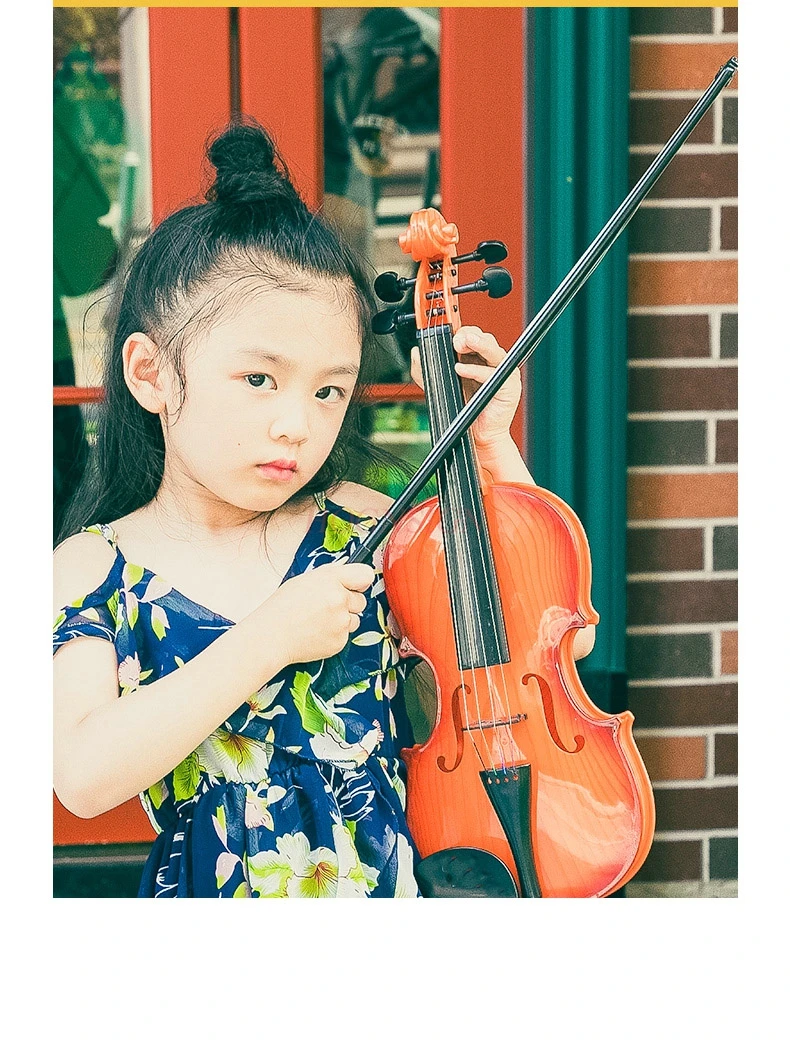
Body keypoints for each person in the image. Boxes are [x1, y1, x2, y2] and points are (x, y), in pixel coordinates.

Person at [53, 119, 593, 898]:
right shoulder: (94, 568)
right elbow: (83, 777)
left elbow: (542, 643)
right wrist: (267, 639)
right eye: (259, 380)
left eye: (329, 389)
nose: (297, 425)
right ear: (150, 373)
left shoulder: (360, 526)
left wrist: (491, 450)